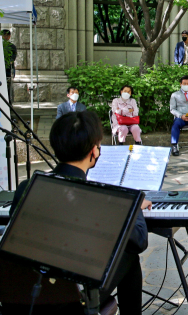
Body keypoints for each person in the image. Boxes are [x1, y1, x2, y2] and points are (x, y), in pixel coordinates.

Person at [3, 111, 151, 315]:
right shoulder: (102, 197)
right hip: (73, 302)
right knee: (129, 255)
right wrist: (136, 207)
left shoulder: (25, 187)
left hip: (23, 297)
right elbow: (140, 241)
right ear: (94, 151)